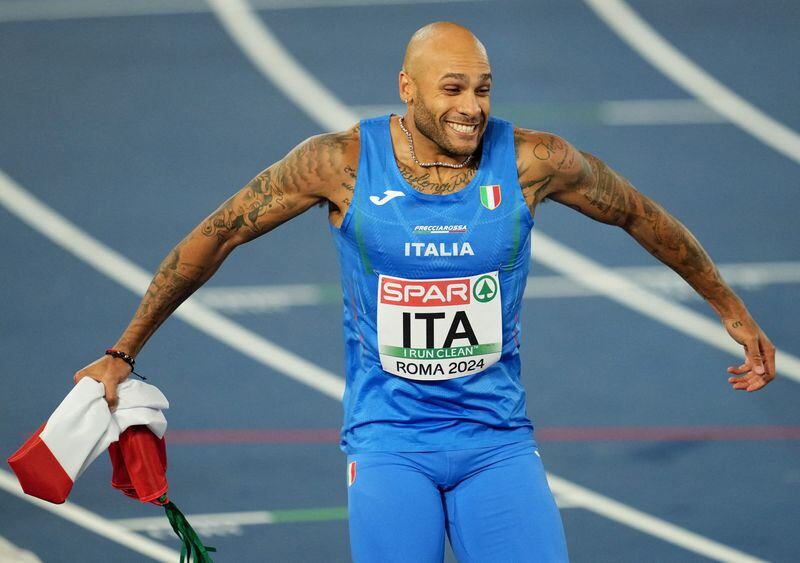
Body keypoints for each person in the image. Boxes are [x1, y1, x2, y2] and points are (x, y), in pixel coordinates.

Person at [74, 21, 775, 562]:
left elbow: (638, 213)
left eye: (483, 87)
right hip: (390, 443)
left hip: (497, 440)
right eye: (453, 89)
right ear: (406, 89)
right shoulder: (340, 163)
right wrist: (122, 350)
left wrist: (731, 309)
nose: (472, 106)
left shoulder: (535, 161)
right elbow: (217, 234)